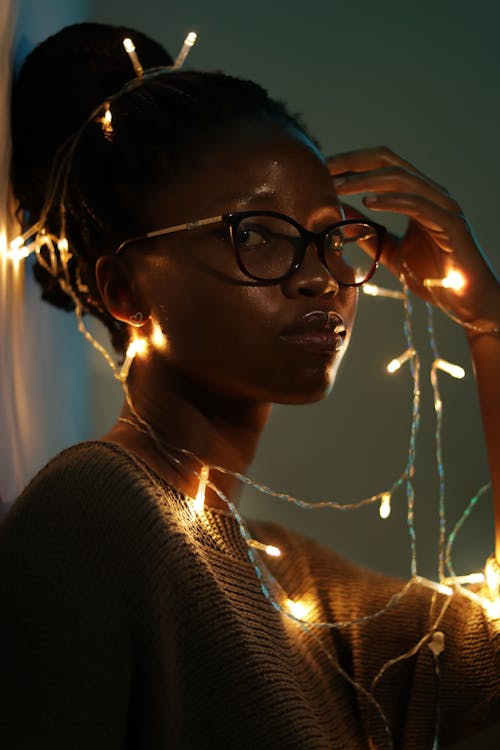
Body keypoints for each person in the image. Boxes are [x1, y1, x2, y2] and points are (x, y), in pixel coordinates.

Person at [0, 21, 499, 750]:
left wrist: (487, 323)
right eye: (255, 233)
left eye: (331, 235)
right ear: (125, 291)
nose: (317, 275)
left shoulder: (295, 582)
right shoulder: (93, 513)